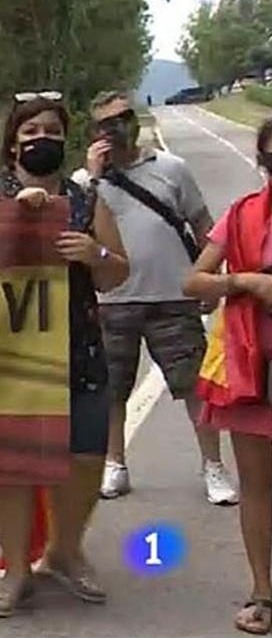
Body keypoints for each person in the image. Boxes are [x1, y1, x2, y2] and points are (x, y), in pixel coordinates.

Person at [0, 92, 129, 618]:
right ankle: (15, 567)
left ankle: (64, 549)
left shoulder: (84, 198)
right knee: (10, 464)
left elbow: (118, 271)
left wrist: (93, 252)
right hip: (7, 352)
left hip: (77, 343)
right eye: (30, 131)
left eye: (51, 131)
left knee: (84, 455)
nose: (41, 139)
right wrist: (7, 220)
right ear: (12, 140)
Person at [71, 90, 238, 505]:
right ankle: (115, 464)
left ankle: (212, 467)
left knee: (195, 387)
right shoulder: (85, 182)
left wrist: (210, 279)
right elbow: (76, 227)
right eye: (108, 123)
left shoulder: (172, 169)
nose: (119, 127)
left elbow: (204, 226)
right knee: (111, 389)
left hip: (173, 296)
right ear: (96, 133)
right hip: (112, 301)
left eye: (125, 117)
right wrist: (93, 177)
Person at [182, 118, 272, 635]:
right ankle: (263, 594)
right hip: (252, 367)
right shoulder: (241, 215)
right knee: (258, 487)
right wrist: (244, 281)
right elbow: (193, 279)